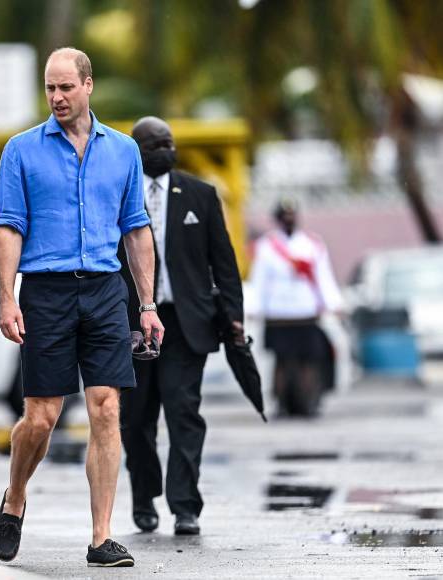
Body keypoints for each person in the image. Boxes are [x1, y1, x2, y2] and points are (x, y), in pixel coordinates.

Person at [0, 47, 163, 568]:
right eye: (50, 88)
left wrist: (148, 305)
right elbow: (8, 228)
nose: (57, 97)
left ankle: (101, 537)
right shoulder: (20, 150)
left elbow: (136, 229)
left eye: (66, 87)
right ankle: (15, 495)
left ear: (89, 85)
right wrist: (5, 297)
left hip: (107, 290)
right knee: (41, 418)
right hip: (46, 291)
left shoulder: (124, 150)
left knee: (106, 407)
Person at [117, 116, 244, 536]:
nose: (164, 150)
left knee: (184, 413)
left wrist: (234, 316)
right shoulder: (116, 193)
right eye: (154, 145)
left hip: (185, 324)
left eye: (168, 143)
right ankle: (143, 497)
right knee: (136, 420)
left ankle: (186, 505)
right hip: (133, 325)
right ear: (136, 152)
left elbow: (223, 263)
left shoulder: (200, 194)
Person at [248, 199, 342, 417]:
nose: (288, 220)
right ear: (278, 220)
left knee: (308, 360)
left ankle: (307, 402)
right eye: (284, 217)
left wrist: (333, 303)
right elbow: (259, 280)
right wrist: (254, 307)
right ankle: (281, 403)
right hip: (278, 312)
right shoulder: (267, 246)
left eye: (291, 216)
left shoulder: (312, 244)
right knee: (282, 361)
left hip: (305, 310)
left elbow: (324, 277)